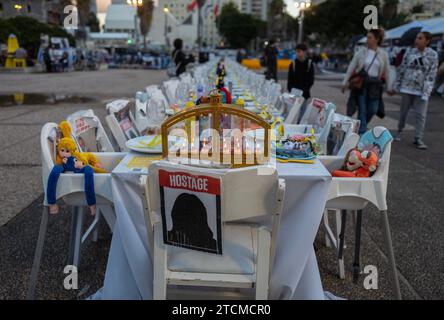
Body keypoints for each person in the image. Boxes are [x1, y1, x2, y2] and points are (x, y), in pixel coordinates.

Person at [342, 28, 393, 135]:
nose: (367, 40)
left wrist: (389, 87)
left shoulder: (383, 54)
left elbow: (387, 71)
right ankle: (361, 133)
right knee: (362, 109)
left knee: (373, 109)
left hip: (375, 85)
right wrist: (344, 82)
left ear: (377, 39)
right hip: (361, 84)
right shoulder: (361, 52)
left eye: (370, 37)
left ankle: (361, 125)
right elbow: (351, 67)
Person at [393, 32, 438, 150]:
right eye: (416, 37)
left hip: (421, 90)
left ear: (427, 41)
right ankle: (399, 131)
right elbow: (402, 68)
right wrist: (397, 85)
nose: (416, 40)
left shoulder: (433, 55)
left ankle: (418, 138)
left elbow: (432, 74)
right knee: (403, 112)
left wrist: (426, 92)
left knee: (421, 115)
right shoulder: (410, 52)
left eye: (420, 38)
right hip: (407, 87)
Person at [287, 43, 315, 121]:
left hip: (304, 93)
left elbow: (311, 79)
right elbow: (290, 79)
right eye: (296, 52)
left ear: (304, 52)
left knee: (303, 114)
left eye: (299, 51)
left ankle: (300, 128)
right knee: (293, 114)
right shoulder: (293, 64)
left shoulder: (309, 64)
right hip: (294, 93)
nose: (297, 53)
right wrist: (291, 90)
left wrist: (305, 90)